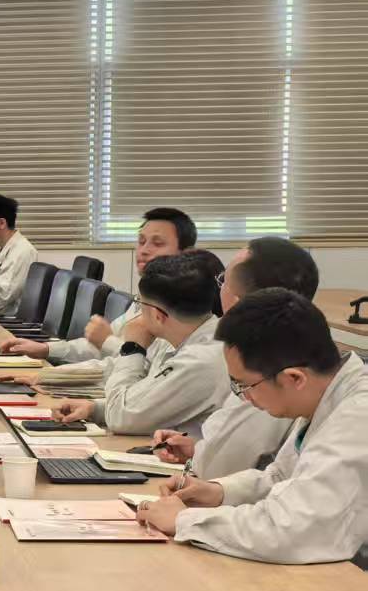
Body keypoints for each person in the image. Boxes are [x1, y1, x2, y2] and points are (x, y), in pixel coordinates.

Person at [139, 289, 366, 565]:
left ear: (294, 378)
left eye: (244, 385)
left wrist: (184, 520)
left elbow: (290, 530)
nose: (244, 397)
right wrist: (218, 492)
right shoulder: (326, 392)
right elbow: (283, 477)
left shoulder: (356, 418)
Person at [150, 237, 319, 478]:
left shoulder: (268, 366)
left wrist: (204, 457)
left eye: (223, 281)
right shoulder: (290, 345)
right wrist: (197, 449)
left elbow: (216, 466)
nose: (219, 289)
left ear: (240, 302)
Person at [53, 249, 228, 436]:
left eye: (139, 303)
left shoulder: (200, 360)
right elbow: (146, 399)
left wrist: (132, 348)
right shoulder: (174, 338)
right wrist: (94, 408)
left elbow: (121, 418)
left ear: (158, 315)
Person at [3, 207, 195, 367]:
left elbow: (152, 373)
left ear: (186, 254)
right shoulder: (145, 298)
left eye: (158, 243)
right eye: (141, 241)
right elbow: (98, 349)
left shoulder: (186, 310)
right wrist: (45, 350)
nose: (144, 250)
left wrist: (107, 341)